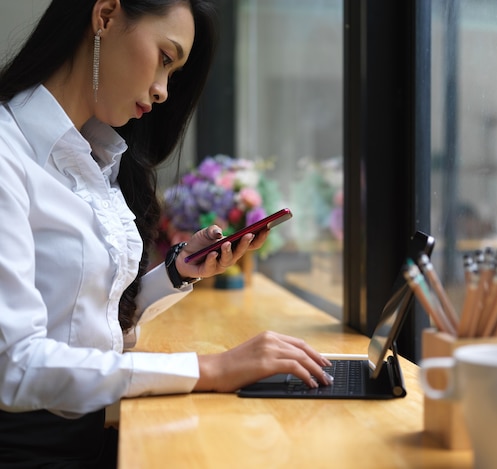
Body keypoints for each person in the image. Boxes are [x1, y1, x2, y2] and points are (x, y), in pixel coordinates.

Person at [0, 0, 332, 466]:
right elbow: (16, 368)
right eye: (165, 58)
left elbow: (86, 331)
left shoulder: (93, 159)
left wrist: (176, 273)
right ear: (106, 15)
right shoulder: (7, 155)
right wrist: (212, 369)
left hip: (92, 434)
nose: (162, 92)